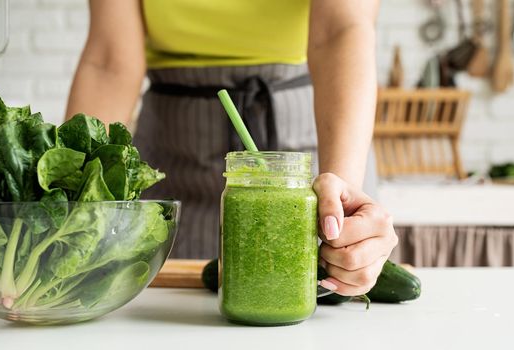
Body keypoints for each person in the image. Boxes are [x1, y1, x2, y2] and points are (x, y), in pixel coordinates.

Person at [65, 0, 397, 297]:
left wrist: (341, 196)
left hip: (310, 145)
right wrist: (74, 208)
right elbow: (111, 60)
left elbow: (339, 30)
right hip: (175, 154)